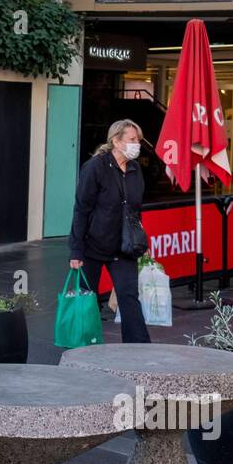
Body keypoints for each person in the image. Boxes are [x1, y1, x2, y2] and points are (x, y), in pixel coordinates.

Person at [69, 119, 151, 344]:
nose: (137, 144)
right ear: (116, 141)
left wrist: (140, 241)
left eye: (138, 140)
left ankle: (139, 348)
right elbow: (81, 209)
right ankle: (83, 344)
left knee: (129, 297)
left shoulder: (135, 169)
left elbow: (135, 210)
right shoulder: (95, 167)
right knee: (88, 299)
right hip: (93, 245)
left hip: (124, 247)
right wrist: (76, 251)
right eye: (132, 140)